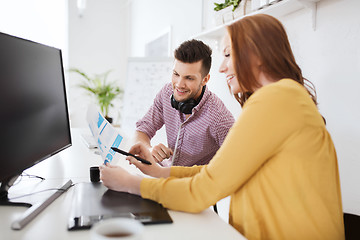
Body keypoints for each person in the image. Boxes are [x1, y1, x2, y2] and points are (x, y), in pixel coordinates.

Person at [100, 14, 345, 239]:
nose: (221, 67)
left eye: (228, 54)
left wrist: (129, 184)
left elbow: (206, 187)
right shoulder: (284, 97)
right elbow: (220, 170)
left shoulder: (275, 99)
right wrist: (160, 171)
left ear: (256, 55)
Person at [135, 39, 235, 166]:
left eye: (189, 78)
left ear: (205, 80)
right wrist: (149, 150)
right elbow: (142, 130)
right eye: (176, 74)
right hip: (166, 174)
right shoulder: (166, 93)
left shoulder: (219, 117)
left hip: (195, 183)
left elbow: (236, 162)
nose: (179, 85)